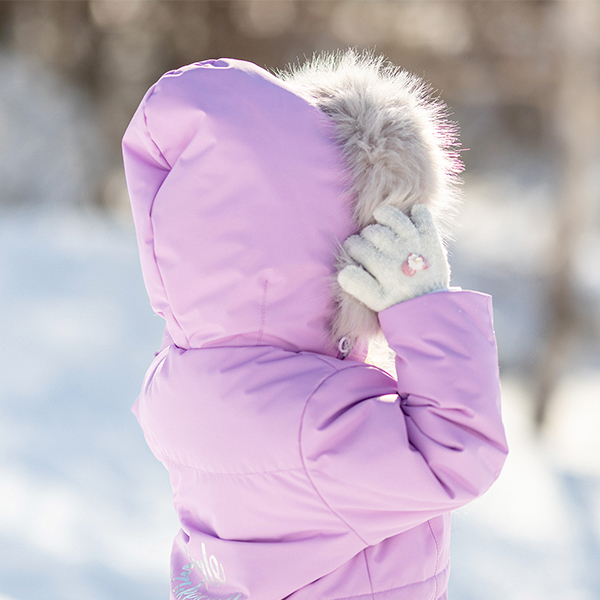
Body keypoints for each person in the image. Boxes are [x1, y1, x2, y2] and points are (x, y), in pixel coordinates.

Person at [122, 50, 508, 600]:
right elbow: (457, 453)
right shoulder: (310, 420)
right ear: (333, 246)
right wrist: (421, 303)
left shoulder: (186, 376)